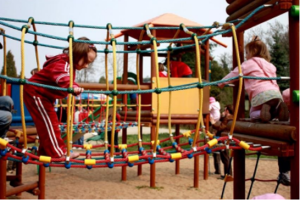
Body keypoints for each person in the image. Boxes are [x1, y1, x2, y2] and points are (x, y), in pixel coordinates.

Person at [23, 37, 97, 159]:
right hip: (37, 93)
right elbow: (61, 76)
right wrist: (72, 86)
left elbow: (65, 77)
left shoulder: (68, 64)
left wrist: (73, 85)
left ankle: (45, 150)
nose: (86, 65)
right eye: (86, 61)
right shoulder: (63, 63)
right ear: (78, 54)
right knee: (51, 124)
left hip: (43, 95)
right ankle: (58, 152)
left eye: (89, 63)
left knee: (47, 124)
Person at [218, 36, 289, 123]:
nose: (245, 55)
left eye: (247, 53)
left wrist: (221, 83)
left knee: (252, 113)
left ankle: (263, 114)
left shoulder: (248, 63)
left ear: (254, 51)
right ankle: (278, 110)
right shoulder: (270, 65)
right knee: (272, 107)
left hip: (260, 94)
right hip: (276, 94)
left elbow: (235, 73)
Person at [210, 104, 234, 179]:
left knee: (225, 157)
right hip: (226, 138)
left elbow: (221, 127)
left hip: (223, 138)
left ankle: (228, 175)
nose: (224, 111)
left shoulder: (227, 117)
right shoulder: (231, 117)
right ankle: (228, 174)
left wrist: (213, 123)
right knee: (226, 157)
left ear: (227, 111)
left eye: (225, 110)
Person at [209, 97, 221, 174]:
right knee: (216, 154)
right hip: (217, 119)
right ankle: (217, 170)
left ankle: (218, 170)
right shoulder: (217, 104)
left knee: (216, 153)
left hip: (214, 121)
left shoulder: (211, 105)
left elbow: (208, 109)